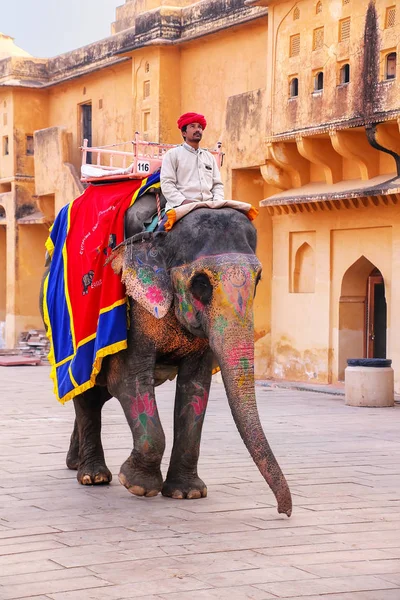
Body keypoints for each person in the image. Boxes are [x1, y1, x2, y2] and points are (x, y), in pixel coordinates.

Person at [160, 112, 224, 212]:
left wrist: (217, 202)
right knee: (163, 227)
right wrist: (183, 201)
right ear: (184, 133)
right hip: (181, 207)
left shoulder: (209, 157)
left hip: (210, 206)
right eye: (192, 126)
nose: (198, 129)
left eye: (199, 127)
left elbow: (217, 185)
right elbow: (167, 184)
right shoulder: (173, 155)